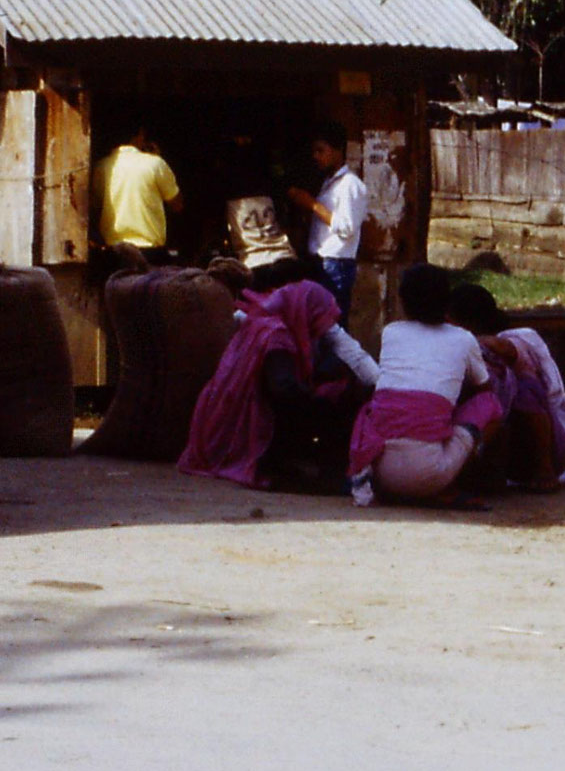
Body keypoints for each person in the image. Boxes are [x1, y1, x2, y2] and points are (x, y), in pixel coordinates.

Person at [177, 280, 371, 492]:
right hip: (249, 424)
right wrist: (324, 404)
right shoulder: (277, 335)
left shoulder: (263, 322)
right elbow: (283, 390)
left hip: (222, 420)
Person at [345, 263, 504, 507]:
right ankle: (456, 482)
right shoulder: (463, 338)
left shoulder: (391, 332)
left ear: (403, 301)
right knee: (491, 405)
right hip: (430, 476)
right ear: (447, 302)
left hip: (381, 475)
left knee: (385, 405)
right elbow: (484, 390)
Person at [445, 282, 565, 490]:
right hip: (506, 448)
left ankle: (545, 469)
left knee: (525, 388)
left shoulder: (518, 338)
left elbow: (507, 349)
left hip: (557, 450)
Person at [287, 120, 367, 316]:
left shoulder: (350, 185)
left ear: (338, 150)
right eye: (314, 151)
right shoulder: (329, 182)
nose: (316, 156)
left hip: (336, 265)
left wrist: (312, 205)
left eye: (321, 150)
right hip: (323, 262)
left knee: (333, 327)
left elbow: (347, 228)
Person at [93, 118, 182, 264]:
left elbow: (95, 207)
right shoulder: (155, 164)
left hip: (113, 253)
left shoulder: (101, 167)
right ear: (140, 135)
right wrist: (160, 160)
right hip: (149, 253)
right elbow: (177, 204)